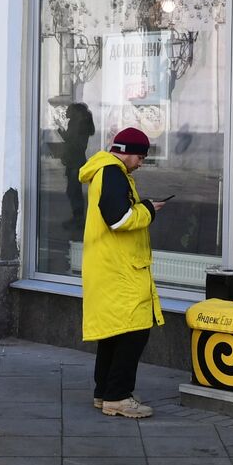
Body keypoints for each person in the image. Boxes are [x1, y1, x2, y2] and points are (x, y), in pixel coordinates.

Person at [80, 127, 165, 418]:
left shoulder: (106, 171)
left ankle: (104, 392)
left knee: (113, 333)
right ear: (127, 152)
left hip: (109, 265)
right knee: (134, 332)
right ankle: (118, 397)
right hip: (120, 269)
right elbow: (119, 219)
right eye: (140, 157)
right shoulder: (113, 173)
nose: (141, 163)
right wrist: (149, 210)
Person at [60, 103, 95, 230]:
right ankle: (77, 218)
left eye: (68, 109)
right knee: (73, 190)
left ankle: (78, 219)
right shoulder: (78, 122)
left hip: (75, 161)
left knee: (74, 191)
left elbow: (73, 142)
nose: (66, 112)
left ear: (74, 111)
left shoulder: (78, 123)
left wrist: (63, 133)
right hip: (74, 160)